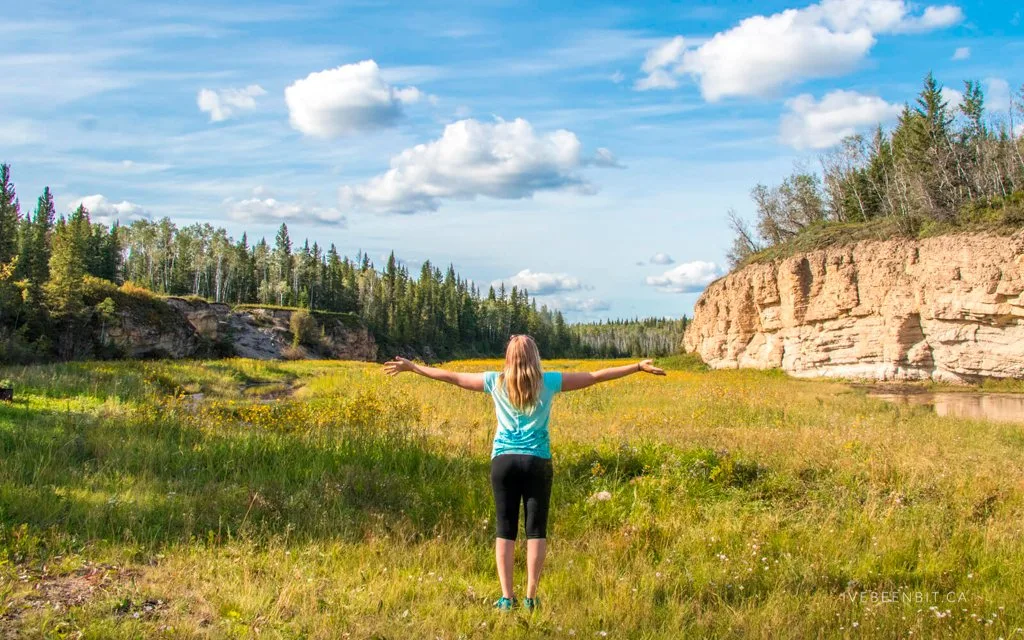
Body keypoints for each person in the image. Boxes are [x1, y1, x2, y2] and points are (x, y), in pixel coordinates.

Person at [382, 335, 666, 611]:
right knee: (536, 530)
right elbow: (594, 376)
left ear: (509, 358)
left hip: (504, 462)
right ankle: (531, 597)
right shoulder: (549, 381)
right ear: (535, 357)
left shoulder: (494, 381)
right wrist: (637, 366)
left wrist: (414, 367)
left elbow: (452, 377)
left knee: (505, 530)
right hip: (537, 462)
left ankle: (507, 598)